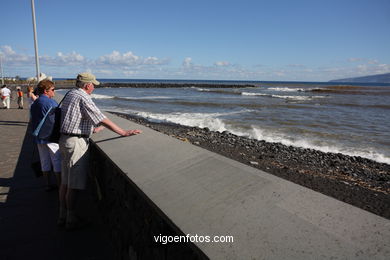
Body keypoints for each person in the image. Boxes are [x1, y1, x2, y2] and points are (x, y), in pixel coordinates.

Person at [58, 72, 142, 230]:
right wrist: (123, 132)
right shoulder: (83, 97)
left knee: (65, 182)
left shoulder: (70, 93)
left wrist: (91, 130)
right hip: (76, 143)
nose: (94, 88)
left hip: (64, 140)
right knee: (73, 185)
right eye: (93, 85)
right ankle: (71, 219)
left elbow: (75, 117)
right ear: (87, 85)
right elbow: (101, 117)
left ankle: (62, 215)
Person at [30, 80, 61, 191]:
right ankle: (60, 185)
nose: (54, 92)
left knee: (44, 161)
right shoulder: (51, 103)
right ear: (45, 91)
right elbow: (59, 119)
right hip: (51, 136)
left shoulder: (35, 103)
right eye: (52, 89)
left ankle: (47, 184)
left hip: (39, 137)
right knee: (56, 161)